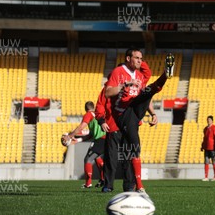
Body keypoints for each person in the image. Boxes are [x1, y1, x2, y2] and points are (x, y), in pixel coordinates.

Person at [104, 49, 174, 193]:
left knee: (148, 91)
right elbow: (107, 92)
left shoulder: (139, 76)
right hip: (123, 113)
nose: (139, 61)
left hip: (135, 112)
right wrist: (125, 85)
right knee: (134, 146)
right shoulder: (118, 72)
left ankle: (166, 75)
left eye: (141, 58)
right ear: (128, 58)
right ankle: (138, 185)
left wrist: (153, 113)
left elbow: (143, 98)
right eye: (137, 58)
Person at [63, 101, 106, 189]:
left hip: (100, 139)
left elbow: (81, 127)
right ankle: (103, 179)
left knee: (88, 159)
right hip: (106, 139)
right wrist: (77, 140)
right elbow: (90, 135)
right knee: (97, 158)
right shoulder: (97, 114)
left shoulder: (88, 114)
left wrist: (70, 136)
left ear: (85, 109)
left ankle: (88, 183)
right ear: (93, 107)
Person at [201, 115, 215, 181]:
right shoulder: (205, 129)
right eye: (207, 119)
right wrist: (202, 146)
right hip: (206, 148)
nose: (208, 121)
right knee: (206, 162)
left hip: (212, 148)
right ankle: (206, 177)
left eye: (209, 120)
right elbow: (204, 139)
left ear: (212, 120)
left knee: (213, 162)